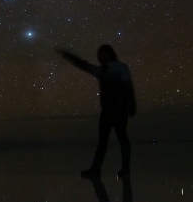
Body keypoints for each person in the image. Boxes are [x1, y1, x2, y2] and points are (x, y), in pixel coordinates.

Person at [56, 44, 136, 177]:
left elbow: (128, 86)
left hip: (119, 109)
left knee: (121, 138)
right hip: (107, 110)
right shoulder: (102, 70)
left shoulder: (120, 67)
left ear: (111, 54)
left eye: (104, 53)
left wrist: (131, 104)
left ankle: (124, 168)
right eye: (100, 54)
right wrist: (68, 55)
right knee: (104, 141)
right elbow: (83, 65)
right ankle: (96, 168)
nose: (101, 56)